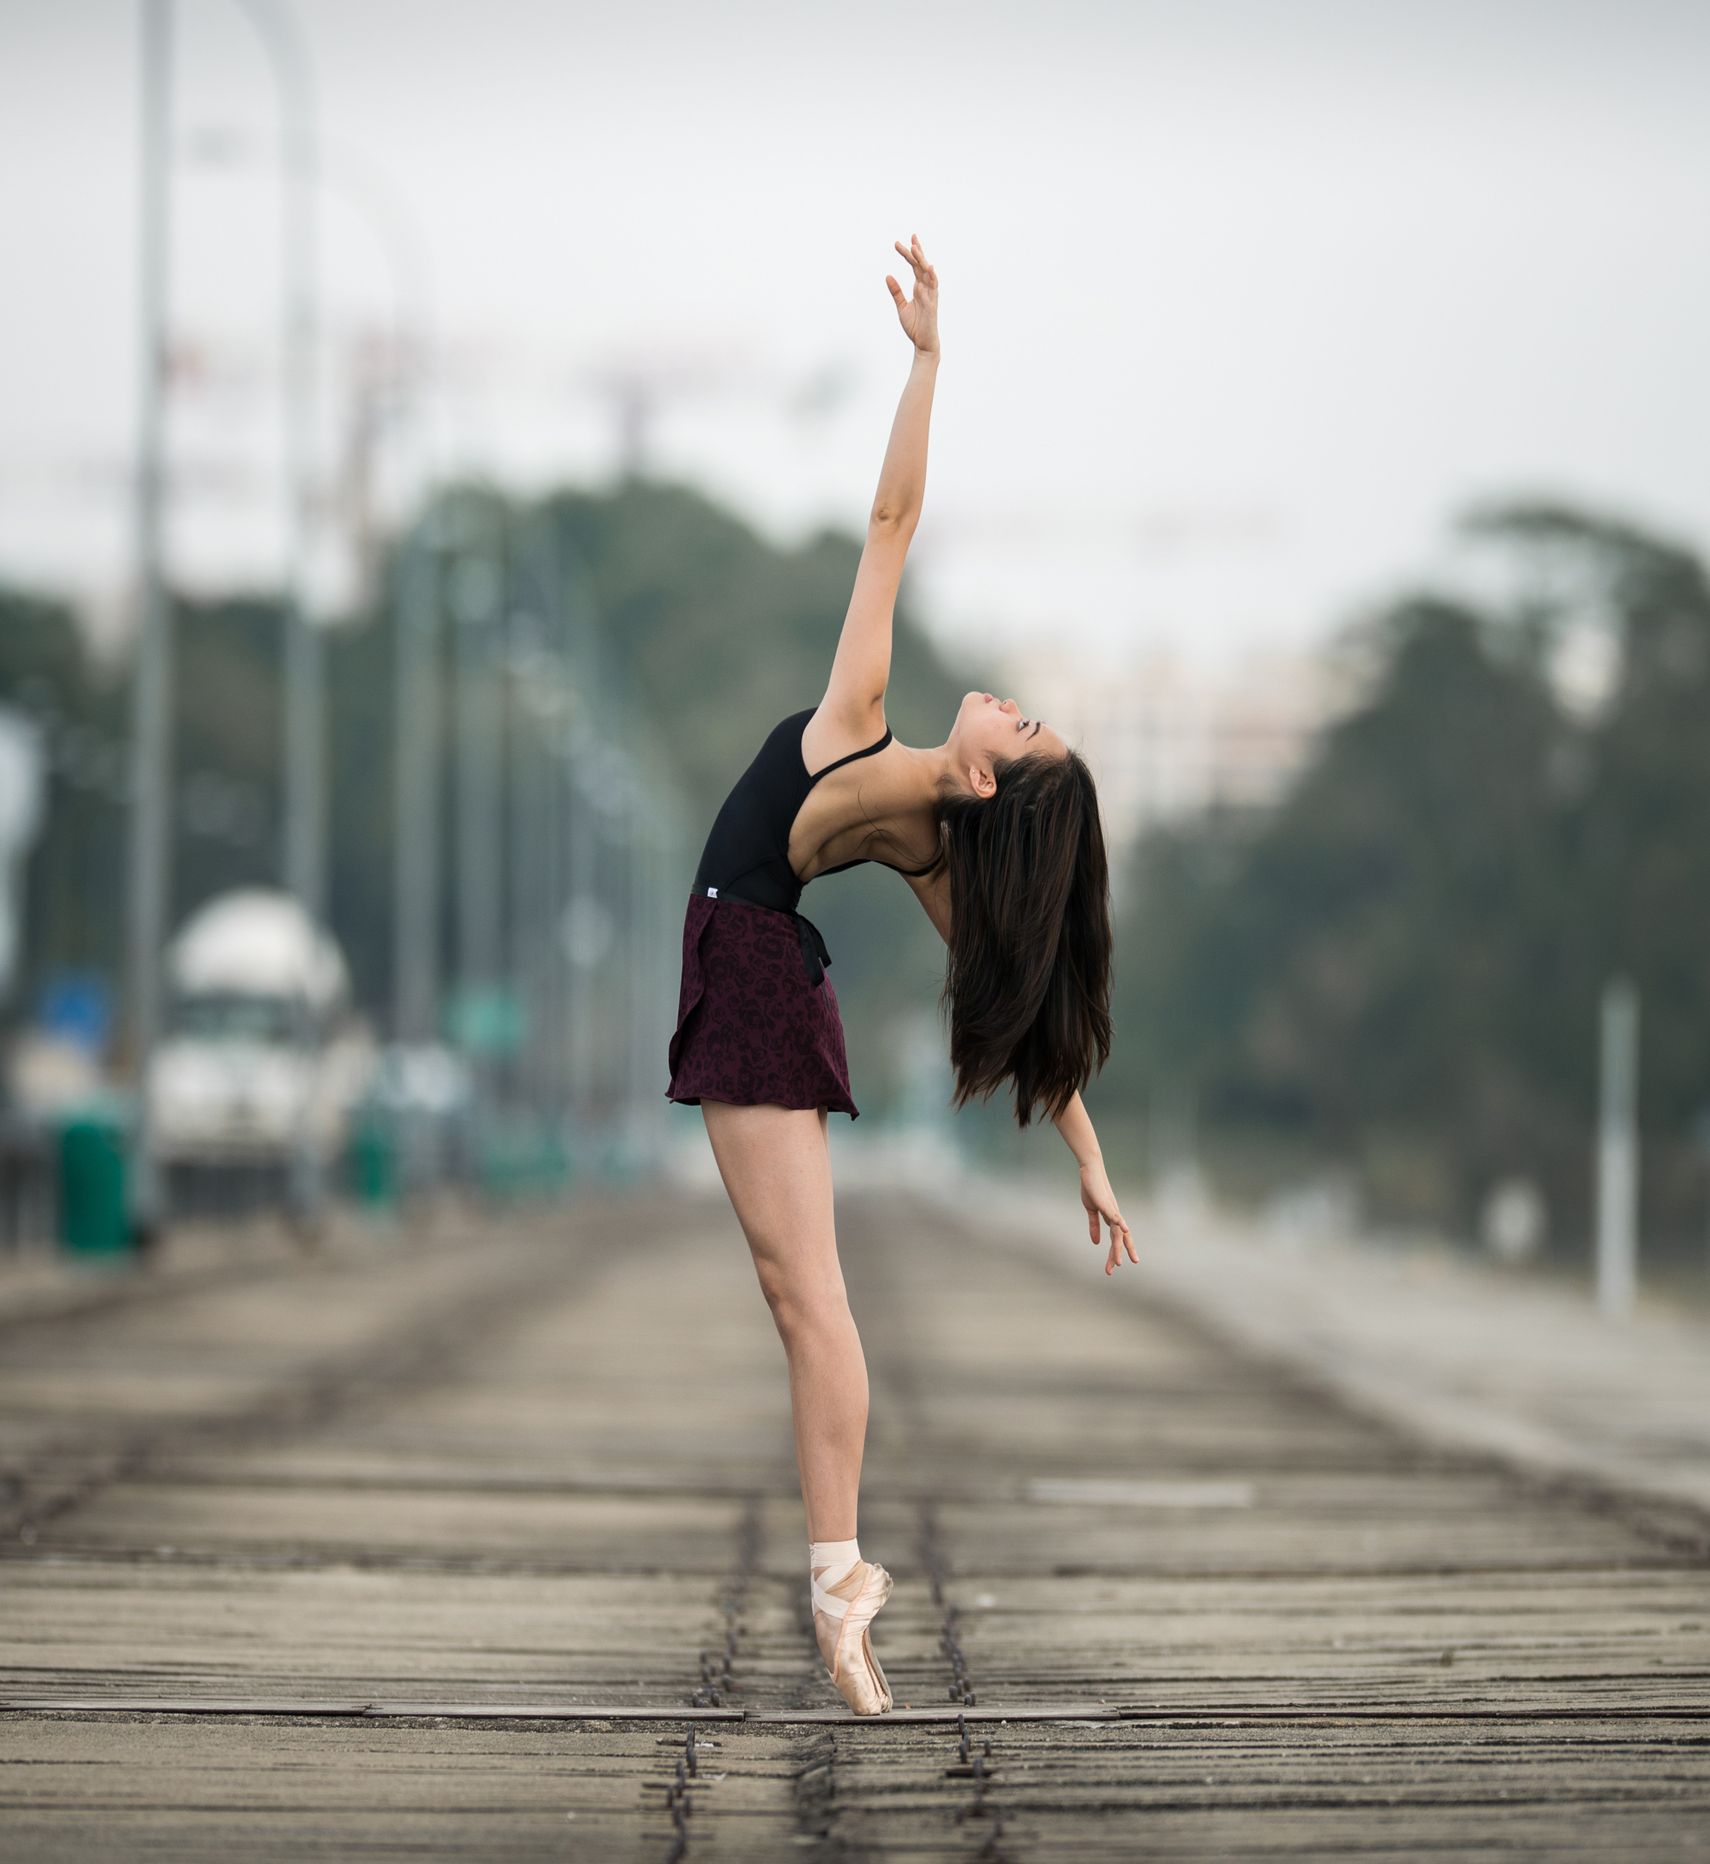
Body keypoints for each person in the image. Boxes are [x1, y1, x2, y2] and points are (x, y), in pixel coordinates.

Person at [666, 237, 1136, 1716]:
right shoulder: (937, 842)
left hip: (748, 961)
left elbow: (890, 518)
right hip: (760, 963)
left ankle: (838, 1580)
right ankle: (836, 1579)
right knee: (802, 1295)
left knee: (811, 1302)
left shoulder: (867, 723)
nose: (1008, 706)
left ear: (997, 785)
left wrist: (929, 365)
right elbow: (1028, 1005)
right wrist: (1089, 1160)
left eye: (1026, 729)